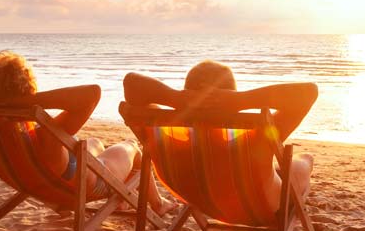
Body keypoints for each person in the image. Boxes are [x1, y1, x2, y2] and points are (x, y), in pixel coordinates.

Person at [0, 50, 173, 214]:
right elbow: (92, 93)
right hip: (81, 188)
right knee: (131, 147)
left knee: (92, 141)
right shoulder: (43, 139)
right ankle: (159, 204)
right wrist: (24, 102)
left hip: (34, 181)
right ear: (26, 92)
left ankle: (131, 195)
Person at [123, 60, 317, 209]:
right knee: (304, 159)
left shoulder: (163, 137)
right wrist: (241, 101)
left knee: (275, 168)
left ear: (186, 93)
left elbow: (132, 83)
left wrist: (176, 99)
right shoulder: (255, 142)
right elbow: (309, 92)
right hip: (262, 207)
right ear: (230, 98)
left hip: (197, 200)